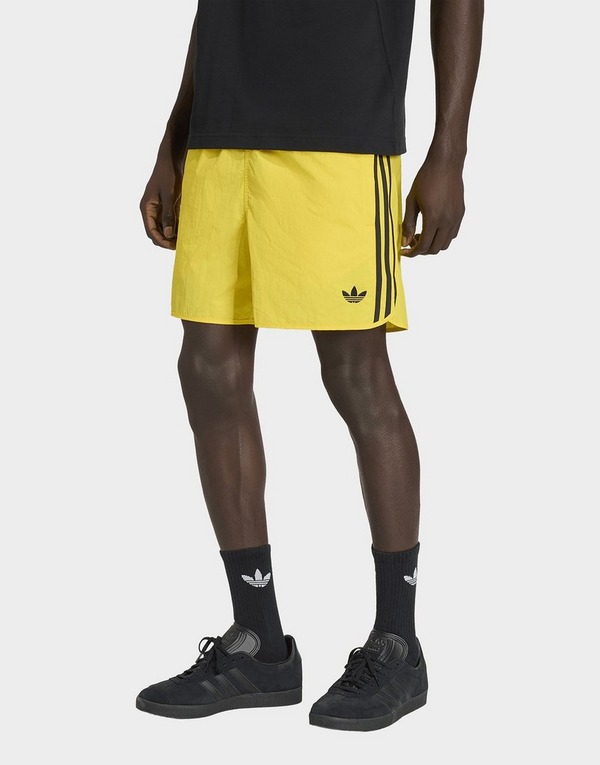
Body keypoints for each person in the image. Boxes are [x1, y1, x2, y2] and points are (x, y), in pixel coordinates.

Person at [137, 0, 483, 732]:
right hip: (222, 135)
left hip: (342, 132)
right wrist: (175, 135)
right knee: (207, 368)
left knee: (356, 375)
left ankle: (398, 646)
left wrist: (449, 150)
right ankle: (258, 643)